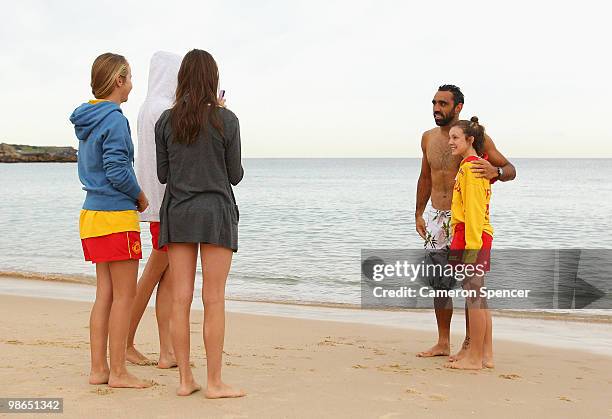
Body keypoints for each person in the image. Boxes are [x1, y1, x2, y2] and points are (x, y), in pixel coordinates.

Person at [155, 49, 245, 398]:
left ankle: (184, 380)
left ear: (182, 79)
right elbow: (234, 175)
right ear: (213, 79)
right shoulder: (228, 120)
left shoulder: (165, 120)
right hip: (215, 212)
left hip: (178, 212)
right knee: (214, 299)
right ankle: (214, 382)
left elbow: (164, 174)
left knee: (180, 298)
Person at [70, 52, 152, 388]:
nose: (132, 84)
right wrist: (140, 196)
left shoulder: (88, 118)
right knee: (123, 297)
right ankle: (118, 372)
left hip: (91, 215)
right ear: (119, 81)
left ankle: (98, 369)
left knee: (105, 294)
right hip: (116, 215)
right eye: (129, 77)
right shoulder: (115, 119)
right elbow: (117, 168)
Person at [415, 85, 515, 360]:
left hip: (465, 220)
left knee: (470, 283)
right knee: (439, 282)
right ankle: (443, 341)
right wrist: (418, 213)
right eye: (434, 103)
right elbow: (425, 177)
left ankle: (471, 345)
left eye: (443, 104)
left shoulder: (475, 138)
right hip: (437, 217)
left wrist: (496, 171)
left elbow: (510, 169)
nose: (437, 108)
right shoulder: (428, 138)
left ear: (458, 107)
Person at [126, 51, 182, 368]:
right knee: (152, 277)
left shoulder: (147, 107)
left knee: (167, 279)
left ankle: (166, 352)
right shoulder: (163, 110)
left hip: (156, 203)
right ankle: (123, 342)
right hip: (166, 205)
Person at [444, 116, 494, 370]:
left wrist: (471, 247)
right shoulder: (473, 165)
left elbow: (474, 211)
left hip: (472, 235)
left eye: (455, 138)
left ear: (470, 140)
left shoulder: (472, 168)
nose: (450, 142)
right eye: (449, 137)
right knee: (478, 296)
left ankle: (475, 358)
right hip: (471, 233)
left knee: (474, 296)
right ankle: (485, 354)